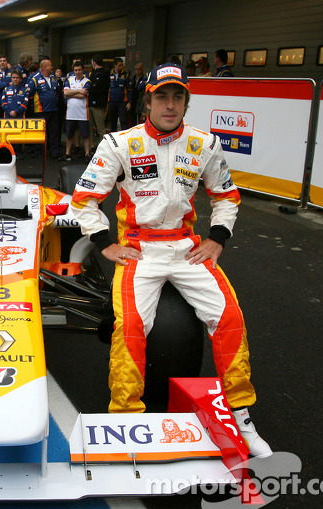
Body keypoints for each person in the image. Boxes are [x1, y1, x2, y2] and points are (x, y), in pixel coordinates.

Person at [70, 64, 271, 458]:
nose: (170, 104)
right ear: (147, 100)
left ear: (186, 101)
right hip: (139, 249)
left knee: (228, 317)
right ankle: (125, 418)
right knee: (130, 326)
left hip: (186, 247)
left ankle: (241, 415)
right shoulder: (119, 144)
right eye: (162, 96)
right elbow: (83, 199)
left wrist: (218, 238)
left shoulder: (206, 144)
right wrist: (104, 242)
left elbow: (226, 197)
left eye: (178, 96)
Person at [26, 58, 61, 159]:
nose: (52, 67)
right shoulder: (34, 79)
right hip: (40, 110)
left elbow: (57, 92)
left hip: (53, 110)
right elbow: (29, 94)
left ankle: (54, 151)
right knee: (40, 132)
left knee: (53, 132)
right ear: (44, 67)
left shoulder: (53, 78)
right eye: (50, 65)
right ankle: (38, 151)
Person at [61, 61, 91, 162]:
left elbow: (84, 95)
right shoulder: (69, 79)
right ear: (73, 70)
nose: (77, 72)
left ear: (83, 70)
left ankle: (87, 153)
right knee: (69, 135)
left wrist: (71, 92)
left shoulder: (87, 81)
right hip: (70, 113)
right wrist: (79, 91)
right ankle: (67, 153)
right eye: (75, 70)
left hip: (83, 113)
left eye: (79, 70)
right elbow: (65, 93)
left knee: (85, 135)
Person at [87, 55, 109, 149]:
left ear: (94, 62)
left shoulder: (105, 73)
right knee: (90, 127)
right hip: (90, 103)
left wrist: (91, 88)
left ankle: (103, 148)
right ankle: (91, 146)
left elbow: (99, 88)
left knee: (100, 129)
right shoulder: (92, 73)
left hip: (99, 105)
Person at [108, 58, 131, 132]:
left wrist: (129, 102)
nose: (121, 67)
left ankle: (124, 140)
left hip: (122, 102)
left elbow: (129, 89)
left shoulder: (126, 74)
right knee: (112, 122)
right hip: (112, 101)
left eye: (122, 65)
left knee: (123, 121)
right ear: (115, 65)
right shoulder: (109, 74)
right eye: (119, 65)